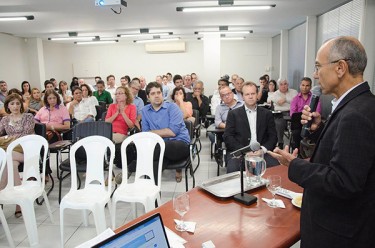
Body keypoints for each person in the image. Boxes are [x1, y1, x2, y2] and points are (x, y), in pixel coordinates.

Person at [269, 36, 375, 248]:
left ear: (340, 68)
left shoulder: (355, 115)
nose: (316, 75)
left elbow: (343, 182)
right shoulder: (363, 104)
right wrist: (320, 130)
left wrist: (294, 164)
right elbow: (351, 152)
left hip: (337, 234)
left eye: (318, 67)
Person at [223, 81, 278, 173]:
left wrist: (262, 150)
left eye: (253, 93)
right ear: (243, 96)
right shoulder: (233, 114)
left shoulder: (267, 114)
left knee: (275, 167)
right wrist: (245, 151)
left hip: (262, 152)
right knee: (233, 168)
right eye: (247, 94)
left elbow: (273, 137)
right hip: (240, 153)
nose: (250, 96)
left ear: (257, 95)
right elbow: (228, 137)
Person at [142, 82, 190, 182]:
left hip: (179, 144)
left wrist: (151, 133)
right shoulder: (145, 111)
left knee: (153, 152)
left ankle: (134, 167)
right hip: (160, 148)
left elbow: (172, 132)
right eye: (153, 93)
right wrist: (152, 133)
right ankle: (154, 192)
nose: (156, 96)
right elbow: (146, 133)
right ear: (148, 97)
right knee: (156, 161)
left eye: (158, 92)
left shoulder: (172, 107)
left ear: (162, 94)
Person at [0, 93, 35, 218]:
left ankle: (1, 190)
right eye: (12, 103)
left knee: (6, 157)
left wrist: (8, 138)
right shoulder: (4, 120)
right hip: (12, 152)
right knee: (11, 164)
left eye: (17, 103)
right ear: (7, 106)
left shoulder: (28, 117)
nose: (15, 106)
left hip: (28, 151)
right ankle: (19, 203)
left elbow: (26, 135)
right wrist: (8, 138)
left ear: (21, 105)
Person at [289, 77, 321, 150]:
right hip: (298, 125)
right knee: (296, 133)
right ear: (300, 86)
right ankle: (298, 153)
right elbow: (293, 114)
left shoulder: (315, 98)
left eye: (307, 85)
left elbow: (317, 111)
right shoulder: (295, 99)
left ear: (310, 87)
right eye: (303, 85)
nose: (305, 87)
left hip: (311, 124)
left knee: (313, 131)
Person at [268, 78, 298, 148]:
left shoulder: (294, 92)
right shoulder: (275, 94)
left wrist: (285, 99)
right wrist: (290, 100)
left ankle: (295, 143)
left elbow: (296, 102)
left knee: (298, 124)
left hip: (292, 112)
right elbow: (280, 102)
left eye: (285, 84)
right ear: (278, 86)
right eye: (281, 84)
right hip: (280, 113)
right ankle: (280, 142)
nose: (283, 86)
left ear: (288, 85)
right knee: (279, 123)